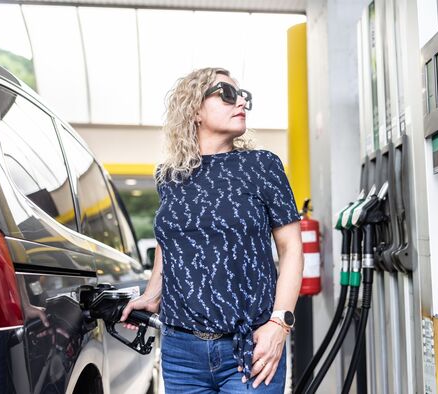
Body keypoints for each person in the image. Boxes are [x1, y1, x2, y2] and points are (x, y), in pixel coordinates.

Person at [121, 67, 303, 393]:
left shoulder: (263, 166)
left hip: (252, 345)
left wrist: (279, 324)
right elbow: (171, 241)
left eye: (243, 95)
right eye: (227, 94)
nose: (241, 102)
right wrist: (152, 294)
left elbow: (291, 248)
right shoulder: (169, 175)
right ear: (194, 109)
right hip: (181, 351)